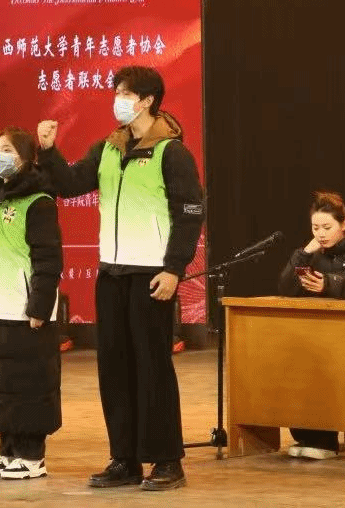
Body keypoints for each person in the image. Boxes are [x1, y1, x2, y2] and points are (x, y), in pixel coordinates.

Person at [37, 65, 205, 492]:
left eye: (126, 93)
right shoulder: (108, 148)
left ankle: (166, 460)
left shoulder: (172, 152)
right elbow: (70, 184)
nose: (118, 99)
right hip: (111, 271)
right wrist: (49, 150)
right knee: (113, 367)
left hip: (152, 274)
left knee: (152, 367)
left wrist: (173, 269)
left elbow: (190, 214)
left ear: (147, 101)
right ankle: (124, 459)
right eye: (117, 92)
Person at [0, 127, 63, 481]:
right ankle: (7, 449)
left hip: (24, 311)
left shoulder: (39, 202)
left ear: (25, 158)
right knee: (1, 383)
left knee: (28, 384)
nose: (0, 155)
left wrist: (39, 306)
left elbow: (48, 259)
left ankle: (32, 454)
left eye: (8, 149)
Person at [276, 190, 345, 460]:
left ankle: (326, 440)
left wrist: (330, 284)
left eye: (327, 227)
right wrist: (303, 254)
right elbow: (285, 288)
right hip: (316, 334)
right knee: (297, 364)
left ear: (344, 224)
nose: (321, 234)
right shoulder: (313, 253)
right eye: (315, 228)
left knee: (328, 367)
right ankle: (308, 435)